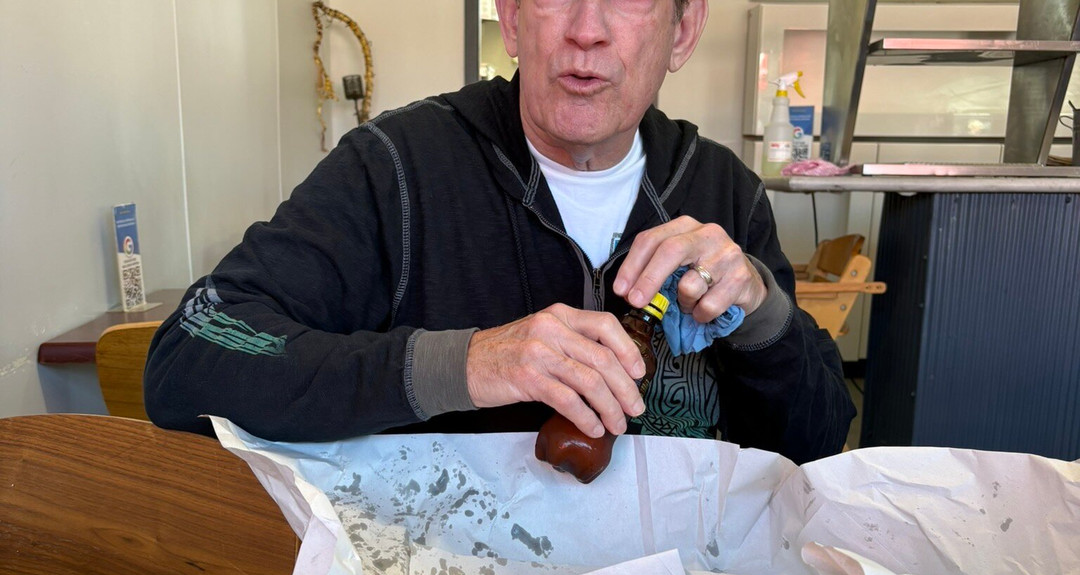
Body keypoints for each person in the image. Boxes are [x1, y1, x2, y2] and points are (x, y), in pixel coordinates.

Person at [144, 0, 855, 465]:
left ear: (684, 30)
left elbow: (816, 448)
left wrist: (762, 316)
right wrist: (467, 364)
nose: (586, 30)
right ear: (512, 19)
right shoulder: (395, 169)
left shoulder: (724, 190)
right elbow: (188, 357)